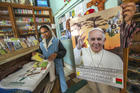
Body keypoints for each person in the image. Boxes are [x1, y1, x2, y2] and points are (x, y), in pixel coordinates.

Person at [38, 25, 68, 93]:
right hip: (47, 66)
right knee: (51, 82)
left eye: (45, 31)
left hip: (58, 65)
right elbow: (40, 52)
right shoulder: (41, 44)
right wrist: (37, 54)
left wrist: (56, 54)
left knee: (62, 81)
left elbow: (63, 51)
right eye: (42, 33)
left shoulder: (57, 41)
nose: (44, 34)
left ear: (50, 31)